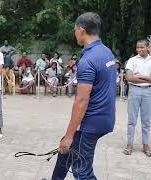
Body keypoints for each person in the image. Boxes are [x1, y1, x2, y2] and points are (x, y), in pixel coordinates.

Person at [49, 12, 117, 180]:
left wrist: (70, 135)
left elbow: (81, 101)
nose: (74, 34)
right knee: (65, 149)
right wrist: (68, 137)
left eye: (74, 30)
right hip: (105, 118)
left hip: (91, 122)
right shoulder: (106, 52)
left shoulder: (88, 60)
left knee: (82, 171)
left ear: (81, 30)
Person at [123, 39, 151, 157]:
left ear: (148, 47)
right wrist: (147, 78)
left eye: (142, 47)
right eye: (137, 47)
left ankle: (146, 145)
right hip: (134, 91)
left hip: (148, 91)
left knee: (146, 121)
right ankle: (129, 144)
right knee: (132, 120)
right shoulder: (132, 60)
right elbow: (129, 78)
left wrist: (139, 76)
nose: (139, 49)